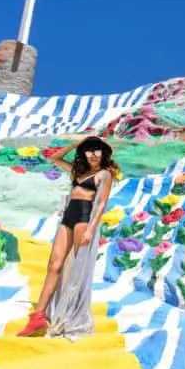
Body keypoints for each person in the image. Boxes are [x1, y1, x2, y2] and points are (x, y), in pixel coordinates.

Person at [16, 136, 120, 338]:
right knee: (54, 265)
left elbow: (100, 204)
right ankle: (38, 317)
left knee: (76, 268)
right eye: (88, 150)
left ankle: (70, 313)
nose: (92, 155)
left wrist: (91, 229)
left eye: (96, 150)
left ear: (103, 153)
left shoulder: (104, 175)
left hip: (83, 219)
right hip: (68, 218)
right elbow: (55, 158)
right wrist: (75, 144)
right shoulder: (78, 171)